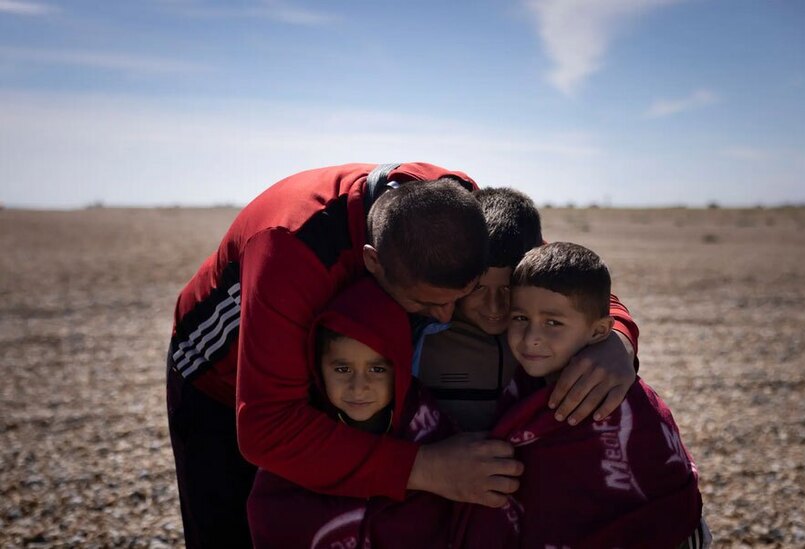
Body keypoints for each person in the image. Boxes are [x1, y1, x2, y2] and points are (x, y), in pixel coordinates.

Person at [166, 163, 638, 547]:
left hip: (343, 373)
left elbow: (555, 274)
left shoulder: (461, 206)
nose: (450, 315)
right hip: (222, 382)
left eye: (463, 294)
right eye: (428, 304)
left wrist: (617, 335)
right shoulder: (290, 245)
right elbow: (267, 429)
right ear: (372, 263)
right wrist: (426, 468)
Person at [454, 242, 705, 548]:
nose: (532, 338)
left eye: (553, 323)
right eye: (520, 318)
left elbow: (663, 502)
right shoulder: (519, 382)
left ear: (600, 332)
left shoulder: (622, 404)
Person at [247, 277, 457, 548]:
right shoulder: (300, 434)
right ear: (318, 368)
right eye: (342, 369)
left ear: (402, 368)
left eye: (377, 369)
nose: (359, 387)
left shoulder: (425, 426)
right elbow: (274, 512)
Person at [418, 188, 638, 431]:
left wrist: (619, 338)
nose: (495, 306)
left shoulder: (555, 335)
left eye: (508, 288)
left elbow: (586, 297)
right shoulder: (422, 324)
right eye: (477, 288)